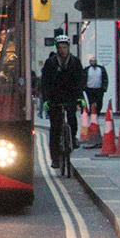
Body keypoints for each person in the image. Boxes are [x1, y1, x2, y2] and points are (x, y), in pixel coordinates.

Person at [41, 35, 86, 166]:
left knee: (72, 120)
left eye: (65, 47)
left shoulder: (75, 62)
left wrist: (80, 97)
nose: (62, 50)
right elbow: (45, 82)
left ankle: (72, 139)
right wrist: (46, 99)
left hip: (70, 96)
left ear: (68, 48)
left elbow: (80, 80)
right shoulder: (51, 63)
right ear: (57, 48)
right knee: (55, 128)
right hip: (55, 98)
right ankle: (55, 158)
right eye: (60, 47)